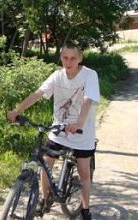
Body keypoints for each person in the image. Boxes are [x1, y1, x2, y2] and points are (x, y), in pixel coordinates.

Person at [7, 42, 100, 220]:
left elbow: (88, 100)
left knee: (83, 172)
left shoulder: (89, 75)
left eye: (73, 58)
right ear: (61, 58)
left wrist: (79, 123)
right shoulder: (57, 76)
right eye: (65, 57)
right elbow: (38, 93)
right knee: (46, 162)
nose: (69, 61)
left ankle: (85, 209)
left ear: (80, 58)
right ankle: (44, 198)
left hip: (82, 132)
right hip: (59, 129)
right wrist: (17, 111)